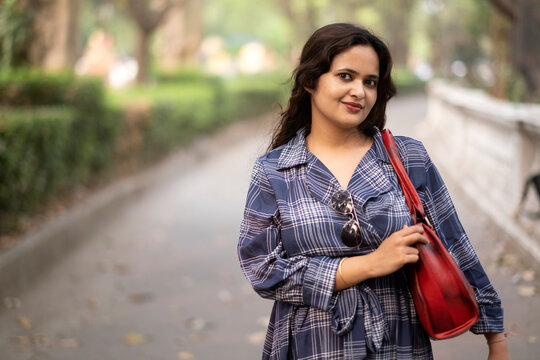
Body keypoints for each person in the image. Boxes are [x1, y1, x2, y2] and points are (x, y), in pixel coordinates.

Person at [237, 23, 510, 360]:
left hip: (398, 342)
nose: (360, 92)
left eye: (370, 82)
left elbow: (456, 245)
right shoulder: (274, 170)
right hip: (313, 346)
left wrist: (495, 338)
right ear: (310, 81)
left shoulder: (408, 158)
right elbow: (262, 268)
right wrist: (366, 265)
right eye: (345, 76)